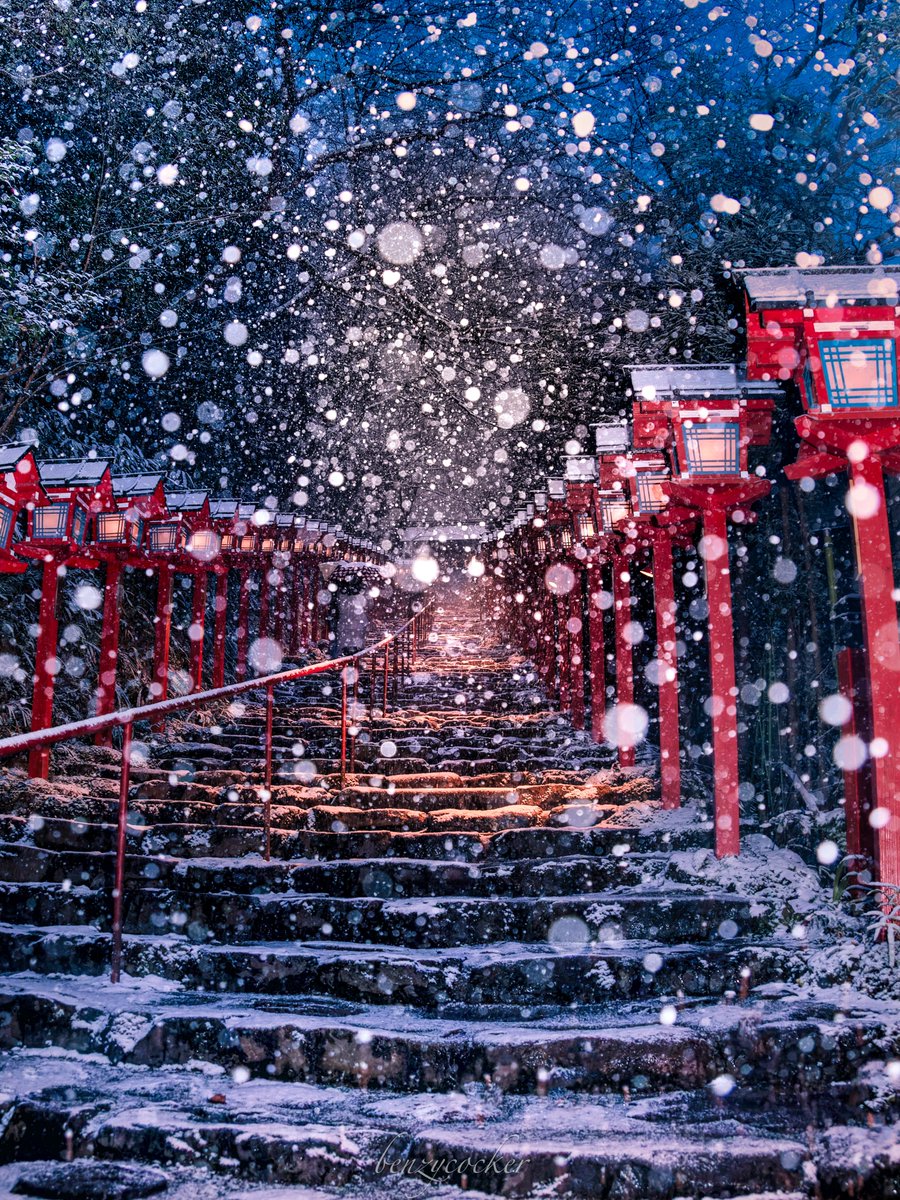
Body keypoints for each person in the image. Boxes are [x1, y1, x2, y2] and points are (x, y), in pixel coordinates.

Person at [334, 573, 371, 655]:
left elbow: (340, 607)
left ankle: (347, 656)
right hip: (358, 622)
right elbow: (368, 605)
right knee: (357, 641)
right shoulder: (360, 594)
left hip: (346, 622)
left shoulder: (342, 594)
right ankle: (356, 656)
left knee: (346, 642)